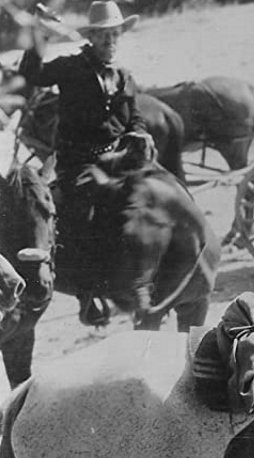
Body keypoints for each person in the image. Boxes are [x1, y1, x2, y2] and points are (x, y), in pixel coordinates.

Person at [18, 1, 152, 312]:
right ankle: (89, 291)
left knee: (153, 198)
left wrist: (140, 133)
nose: (111, 41)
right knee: (83, 213)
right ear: (91, 37)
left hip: (118, 159)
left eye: (115, 34)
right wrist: (40, 34)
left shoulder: (124, 75)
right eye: (104, 35)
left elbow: (135, 118)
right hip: (78, 162)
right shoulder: (70, 67)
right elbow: (31, 73)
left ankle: (147, 275)